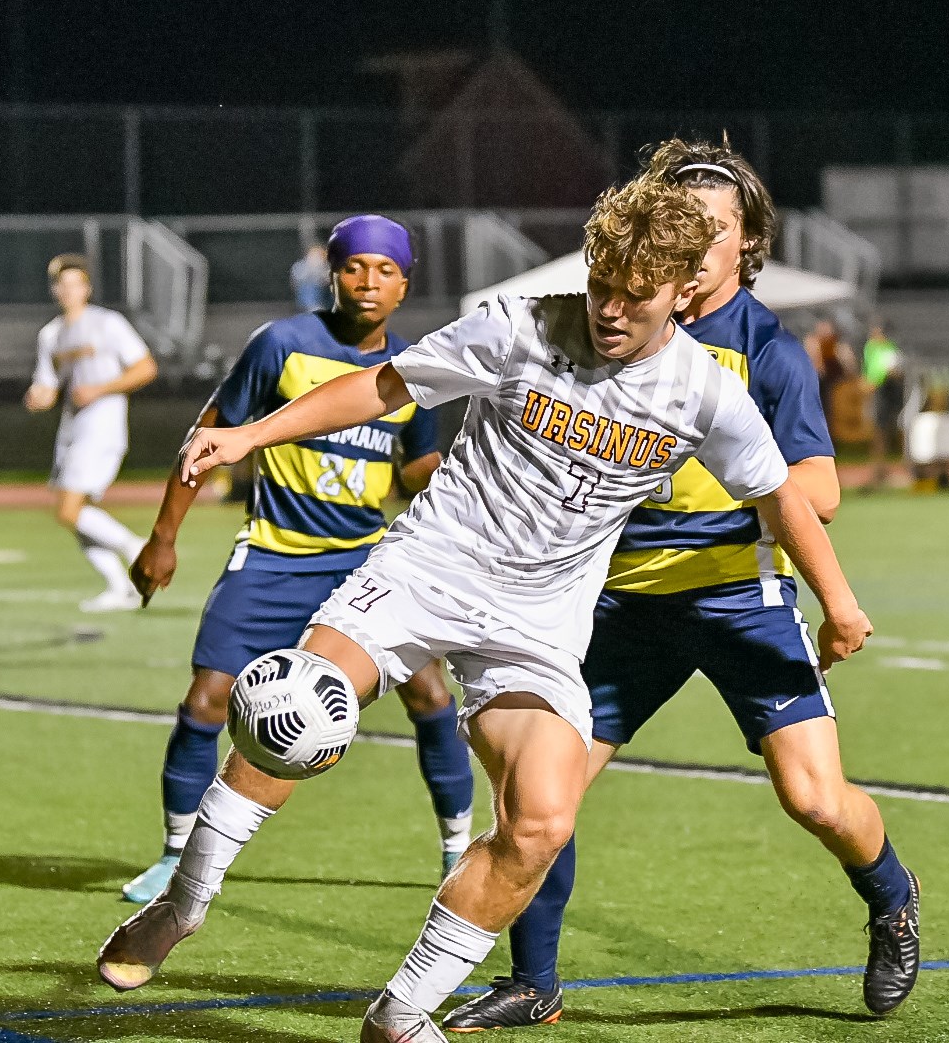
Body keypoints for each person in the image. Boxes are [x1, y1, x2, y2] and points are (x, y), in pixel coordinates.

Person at [95, 176, 874, 1043]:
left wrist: (838, 605)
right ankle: (186, 899)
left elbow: (784, 497)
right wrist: (247, 434)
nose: (611, 307)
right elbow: (387, 388)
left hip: (540, 625)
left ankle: (401, 1014)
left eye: (635, 293)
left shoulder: (707, 394)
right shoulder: (520, 325)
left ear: (685, 285)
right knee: (298, 703)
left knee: (541, 821)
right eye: (601, 282)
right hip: (432, 569)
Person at [445, 140, 920, 1033]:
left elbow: (819, 490)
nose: (698, 247)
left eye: (718, 232)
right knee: (546, 797)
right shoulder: (613, 328)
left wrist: (738, 488)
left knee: (815, 798)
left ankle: (893, 898)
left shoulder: (767, 351)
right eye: (684, 227)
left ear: (749, 245)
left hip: (739, 598)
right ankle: (534, 981)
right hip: (620, 604)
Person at [117, 215, 475, 907]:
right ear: (332, 274)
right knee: (206, 701)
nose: (368, 282)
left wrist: (461, 480)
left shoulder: (414, 364)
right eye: (354, 267)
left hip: (366, 567)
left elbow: (417, 464)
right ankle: (172, 856)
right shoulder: (281, 344)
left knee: (431, 696)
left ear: (405, 283)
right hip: (274, 557)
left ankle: (458, 851)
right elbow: (211, 436)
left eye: (385, 270)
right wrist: (163, 537)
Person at [24, 254, 158, 612]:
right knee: (73, 512)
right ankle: (120, 587)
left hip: (103, 427)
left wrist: (99, 390)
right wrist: (39, 397)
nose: (68, 291)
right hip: (72, 430)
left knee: (69, 510)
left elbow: (145, 368)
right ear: (54, 290)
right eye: (61, 285)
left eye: (74, 284)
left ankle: (136, 550)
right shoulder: (50, 334)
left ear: (87, 288)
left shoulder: (107, 324)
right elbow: (48, 385)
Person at [862, 319, 905, 490]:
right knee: (879, 432)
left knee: (886, 431)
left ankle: (886, 470)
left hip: (887, 391)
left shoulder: (888, 348)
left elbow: (894, 372)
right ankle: (878, 470)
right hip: (878, 392)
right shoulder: (873, 347)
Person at [804, 316, 856, 430]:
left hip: (831, 382)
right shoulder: (814, 342)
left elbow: (848, 366)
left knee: (828, 411)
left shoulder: (836, 347)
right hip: (819, 381)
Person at [290, 243, 331, 312]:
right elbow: (297, 280)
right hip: (308, 294)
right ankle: (314, 307)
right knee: (310, 286)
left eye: (320, 256)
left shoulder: (327, 267)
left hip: (325, 295)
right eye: (315, 256)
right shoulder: (300, 266)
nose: (318, 259)